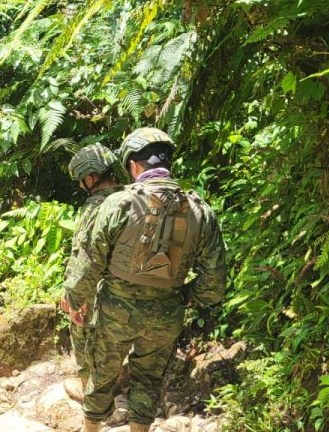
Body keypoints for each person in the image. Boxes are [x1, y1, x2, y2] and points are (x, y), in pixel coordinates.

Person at [62, 128, 227, 432]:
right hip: (167, 314)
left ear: (134, 166)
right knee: (148, 380)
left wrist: (74, 299)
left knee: (102, 376)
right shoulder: (200, 210)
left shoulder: (118, 204)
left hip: (116, 312)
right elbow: (214, 281)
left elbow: (90, 264)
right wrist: (183, 296)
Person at [61, 143, 123, 403]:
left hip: (100, 289)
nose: (79, 187)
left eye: (81, 181)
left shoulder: (96, 207)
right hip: (133, 290)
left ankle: (90, 390)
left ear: (91, 177)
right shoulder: (133, 198)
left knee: (80, 329)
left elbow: (85, 256)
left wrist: (73, 296)